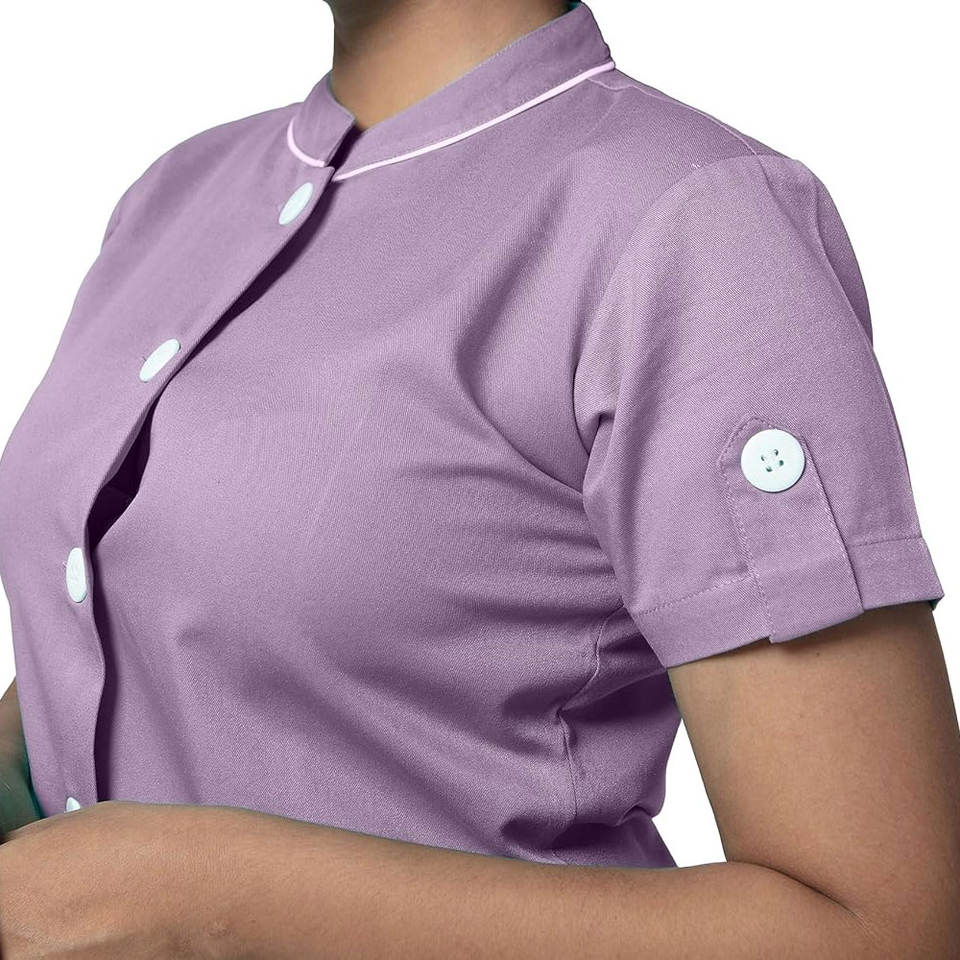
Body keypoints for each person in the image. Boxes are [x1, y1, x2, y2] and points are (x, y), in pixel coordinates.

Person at [0, 0, 957, 955]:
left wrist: (205, 901)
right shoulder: (175, 193)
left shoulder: (691, 221)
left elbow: (884, 932)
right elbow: (143, 620)